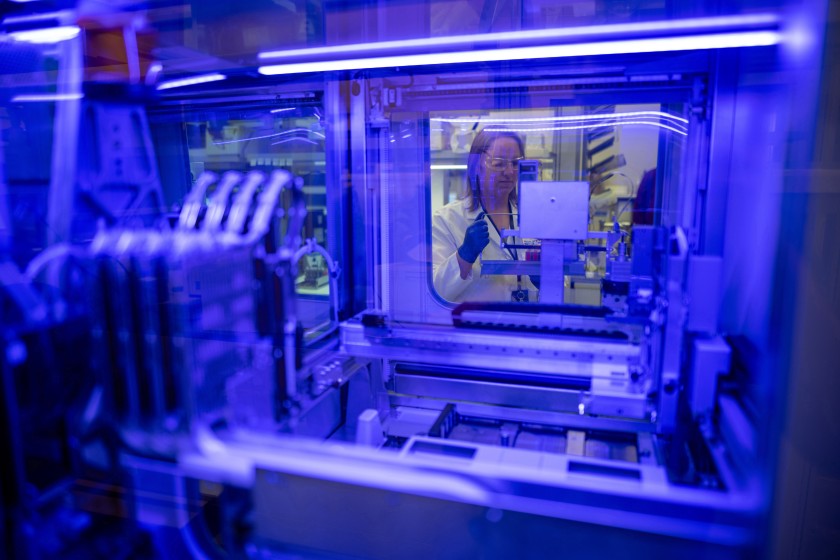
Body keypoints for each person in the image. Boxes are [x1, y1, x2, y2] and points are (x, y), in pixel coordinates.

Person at [432, 128, 539, 303]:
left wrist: (545, 279)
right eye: (499, 163)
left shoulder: (533, 218)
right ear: (476, 167)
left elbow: (558, 286)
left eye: (515, 163)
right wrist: (464, 256)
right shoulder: (446, 220)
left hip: (523, 324)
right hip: (476, 326)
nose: (509, 172)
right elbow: (436, 292)